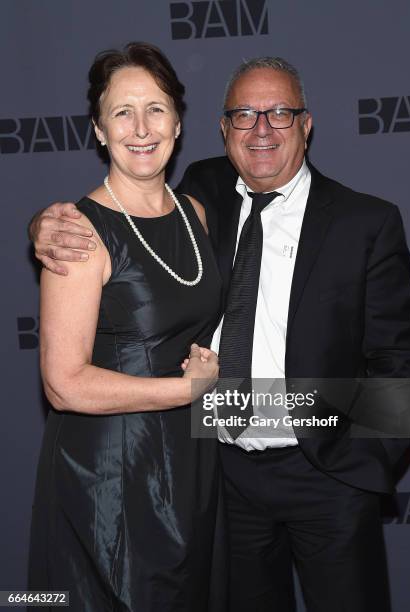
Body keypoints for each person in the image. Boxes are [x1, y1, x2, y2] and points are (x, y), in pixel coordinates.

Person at [30, 57, 410, 612]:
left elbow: (399, 362)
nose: (261, 129)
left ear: (306, 125)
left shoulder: (367, 221)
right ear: (221, 129)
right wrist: (43, 226)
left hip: (327, 477)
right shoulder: (202, 195)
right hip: (222, 476)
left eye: (280, 113)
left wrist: (363, 469)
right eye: (244, 115)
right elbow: (120, 214)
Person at [28, 42, 227, 612]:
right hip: (111, 474)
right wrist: (184, 391)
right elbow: (62, 383)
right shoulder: (77, 232)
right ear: (98, 129)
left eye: (156, 109)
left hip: (188, 464)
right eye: (121, 112)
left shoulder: (195, 214)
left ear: (179, 120)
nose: (141, 128)